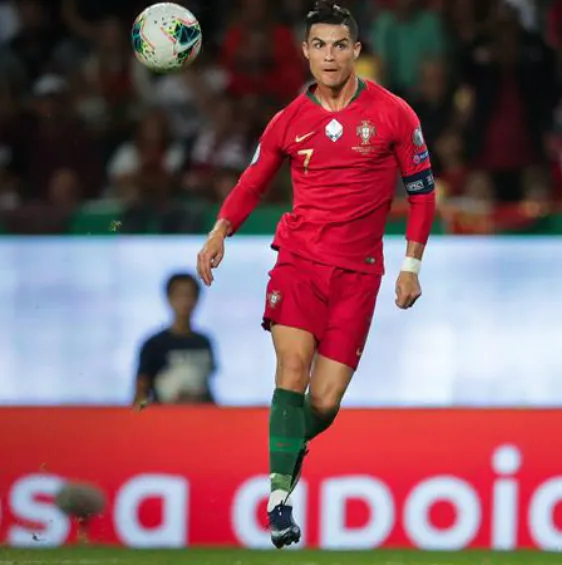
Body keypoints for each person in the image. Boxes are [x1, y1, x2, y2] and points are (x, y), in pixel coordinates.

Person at [195, 0, 436, 549]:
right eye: (320, 46)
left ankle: (282, 447)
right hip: (299, 262)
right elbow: (252, 181)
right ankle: (279, 499)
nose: (330, 56)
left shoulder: (395, 114)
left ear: (356, 50)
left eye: (339, 46)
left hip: (359, 274)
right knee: (292, 366)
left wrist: (411, 267)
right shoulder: (288, 121)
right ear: (305, 52)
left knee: (324, 402)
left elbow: (423, 193)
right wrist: (219, 231)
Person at [133, 273, 216, 408]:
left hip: (198, 416)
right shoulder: (154, 345)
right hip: (164, 417)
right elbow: (141, 392)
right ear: (169, 298)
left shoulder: (204, 342)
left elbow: (207, 386)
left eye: (190, 295)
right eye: (180, 295)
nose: (185, 301)